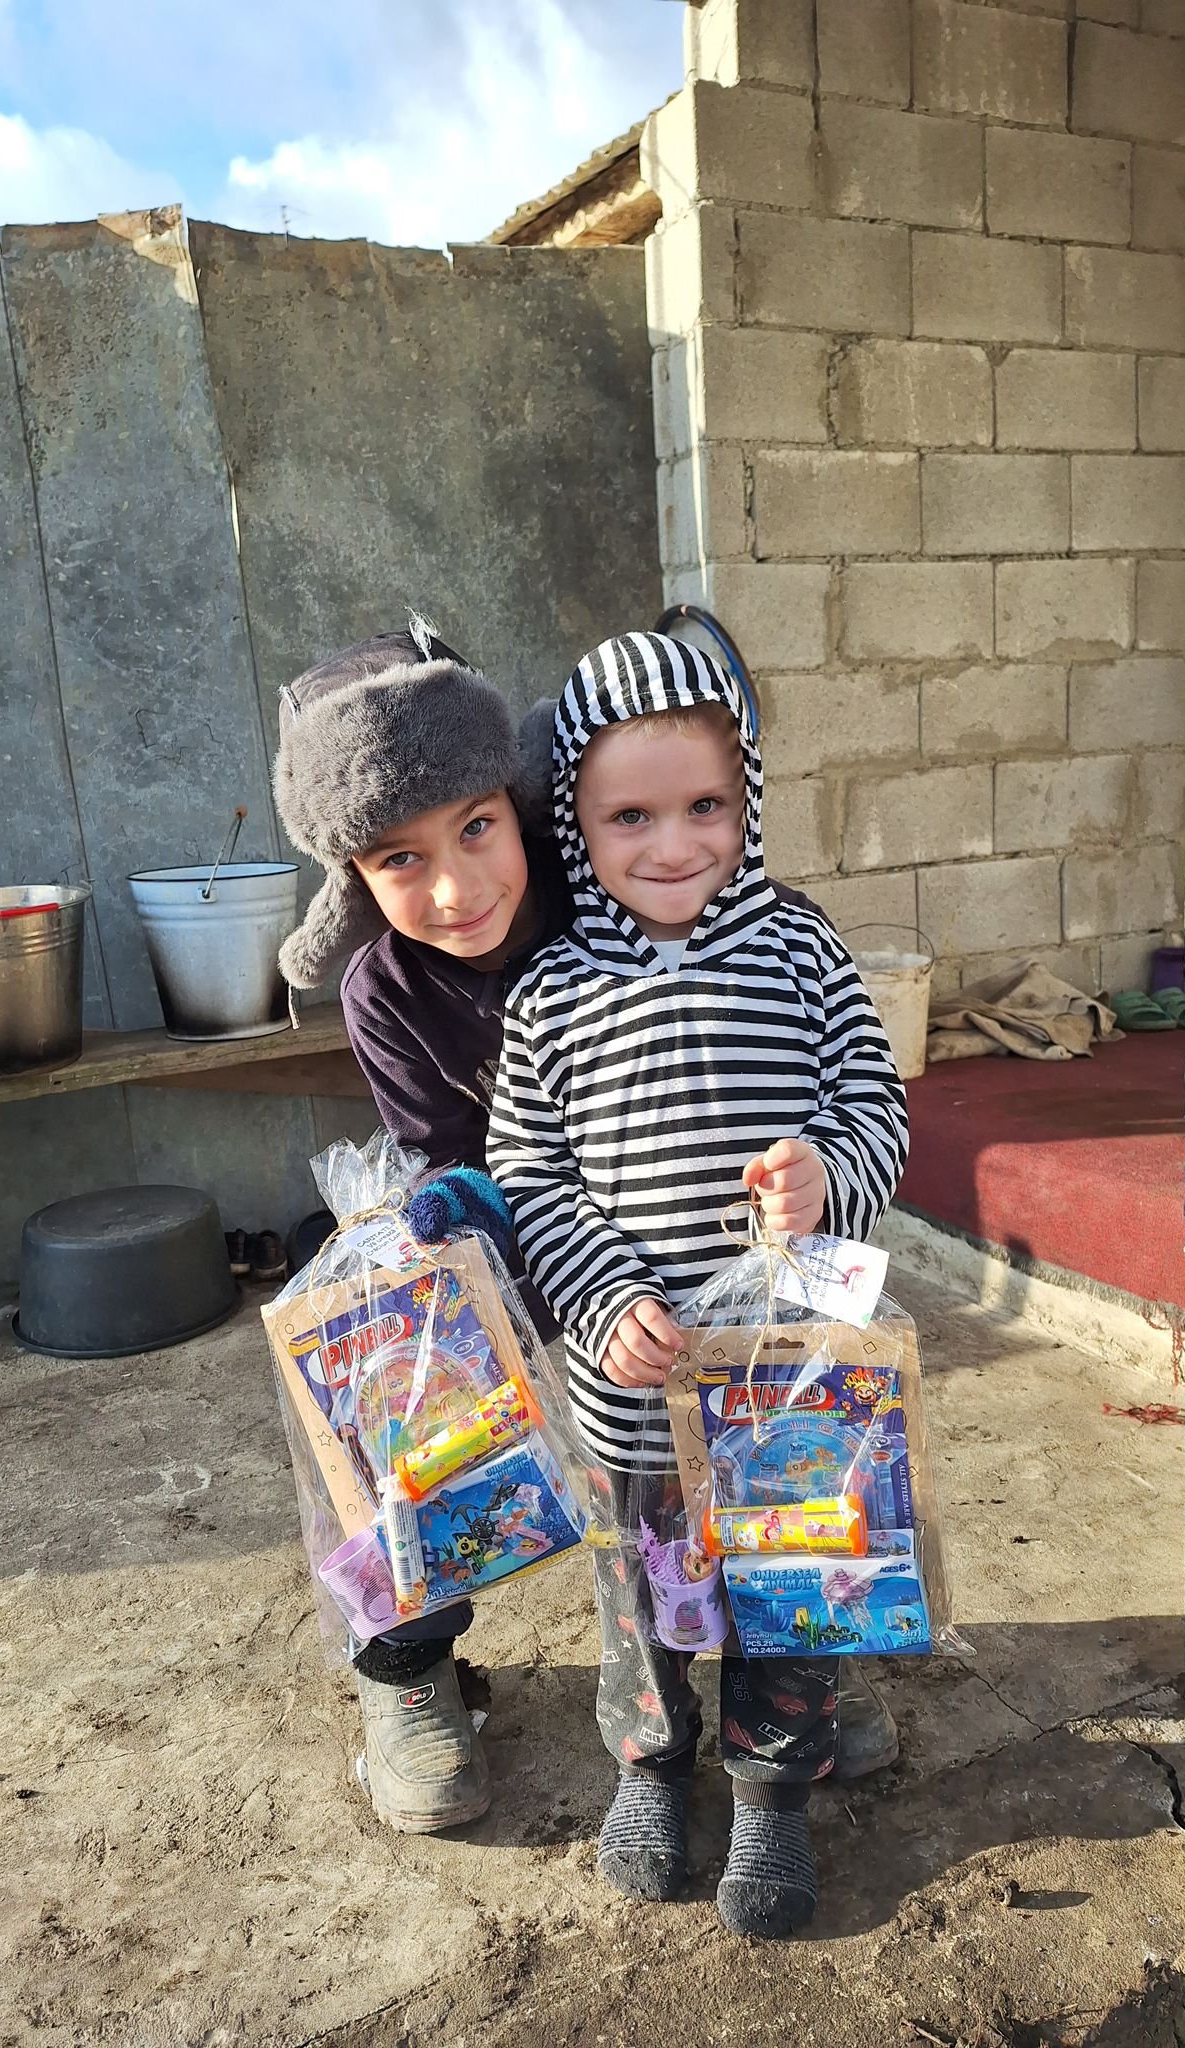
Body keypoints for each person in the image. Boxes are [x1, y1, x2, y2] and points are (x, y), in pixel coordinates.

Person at [486, 630, 909, 1937]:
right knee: (645, 1594)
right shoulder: (550, 995)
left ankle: (775, 1792)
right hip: (634, 1385)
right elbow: (530, 1175)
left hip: (787, 1384)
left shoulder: (801, 951)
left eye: (706, 806)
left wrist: (828, 1173)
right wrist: (604, 1297)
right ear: (577, 820)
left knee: (791, 1583)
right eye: (631, 816)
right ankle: (654, 1765)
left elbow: (878, 1104)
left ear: (749, 799)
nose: (674, 845)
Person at [272, 616, 568, 1835]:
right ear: (352, 874)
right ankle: (405, 1664)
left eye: (476, 827)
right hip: (509, 1240)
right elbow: (440, 1153)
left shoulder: (606, 900)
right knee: (365, 1348)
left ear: (515, 799)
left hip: (661, 1227)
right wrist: (449, 1230)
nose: (455, 887)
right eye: (400, 858)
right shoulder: (382, 989)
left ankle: (791, 1648)